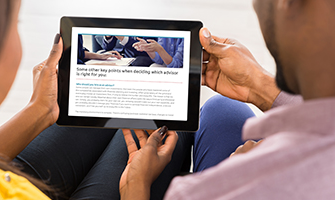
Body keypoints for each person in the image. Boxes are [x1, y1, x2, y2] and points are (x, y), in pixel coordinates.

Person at [0, 1, 193, 199]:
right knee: (168, 128)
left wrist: (39, 111)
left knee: (104, 111)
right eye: (17, 23)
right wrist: (136, 186)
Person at [120, 0, 335, 199]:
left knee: (119, 140)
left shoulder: (202, 192)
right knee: (223, 107)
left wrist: (135, 185)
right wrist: (258, 85)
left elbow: (174, 63)